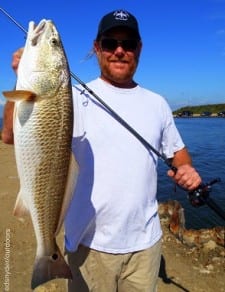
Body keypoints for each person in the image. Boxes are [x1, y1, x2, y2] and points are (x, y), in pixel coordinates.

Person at [2, 9, 201, 292]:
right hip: (88, 247)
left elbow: (178, 153)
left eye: (128, 44)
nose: (119, 51)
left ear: (139, 49)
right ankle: (47, 251)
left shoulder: (157, 104)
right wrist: (20, 78)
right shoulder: (70, 98)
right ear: (97, 48)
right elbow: (10, 135)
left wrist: (186, 168)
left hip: (145, 247)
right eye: (110, 43)